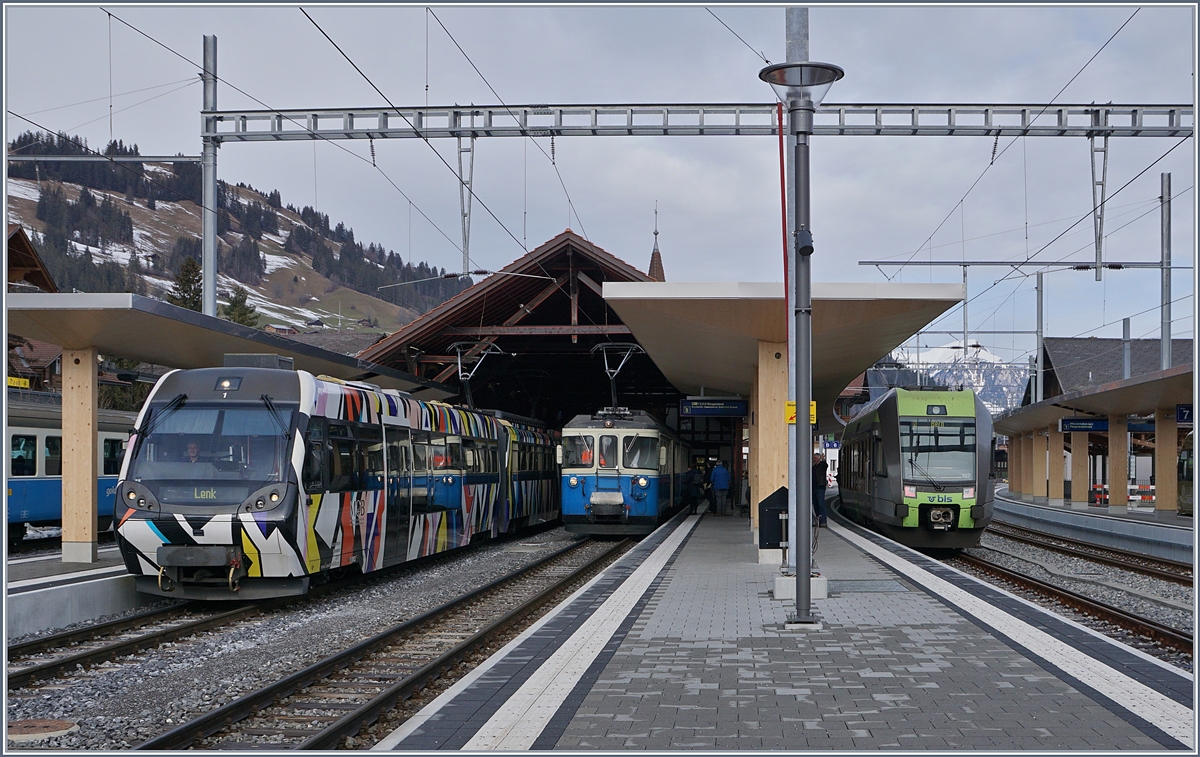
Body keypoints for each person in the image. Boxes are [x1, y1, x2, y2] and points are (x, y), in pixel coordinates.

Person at [812, 452, 829, 526]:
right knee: (816, 505)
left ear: (819, 459)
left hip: (820, 487)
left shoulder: (822, 466)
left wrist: (823, 459)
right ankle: (818, 520)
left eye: (815, 458)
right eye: (813, 458)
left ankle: (823, 521)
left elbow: (825, 465)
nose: (814, 460)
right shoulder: (813, 467)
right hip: (814, 488)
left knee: (821, 504)